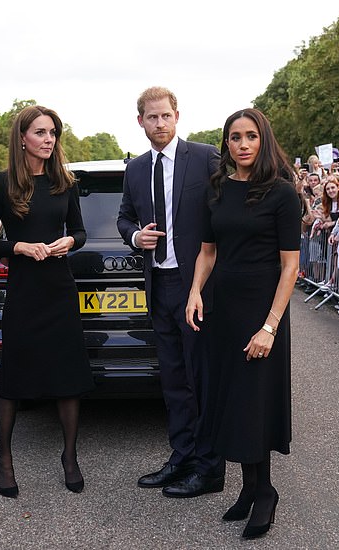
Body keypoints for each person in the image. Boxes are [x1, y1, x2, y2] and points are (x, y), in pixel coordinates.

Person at [185, 108, 300, 539]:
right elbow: (208, 251)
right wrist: (195, 290)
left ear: (263, 139)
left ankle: (266, 491)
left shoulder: (283, 194)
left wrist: (270, 326)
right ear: (226, 145)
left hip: (263, 310)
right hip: (225, 310)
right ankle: (250, 488)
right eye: (235, 137)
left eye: (251, 136)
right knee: (233, 398)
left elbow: (290, 267)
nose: (243, 144)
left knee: (255, 401)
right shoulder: (216, 189)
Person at [0, 105, 94, 499]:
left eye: (53, 133)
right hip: (24, 289)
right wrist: (18, 247)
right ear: (22, 138)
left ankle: (70, 457)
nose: (49, 140)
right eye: (41, 133)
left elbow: (79, 231)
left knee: (67, 376)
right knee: (13, 378)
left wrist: (70, 242)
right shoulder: (1, 183)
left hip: (59, 287)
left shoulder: (65, 182)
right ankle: (4, 460)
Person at [117, 86, 225, 498]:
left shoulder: (204, 157)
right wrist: (133, 236)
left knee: (201, 378)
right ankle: (181, 457)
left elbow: (226, 212)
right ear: (140, 121)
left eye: (165, 116)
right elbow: (124, 216)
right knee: (173, 379)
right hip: (158, 284)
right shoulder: (135, 169)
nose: (159, 123)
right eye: (151, 117)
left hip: (196, 286)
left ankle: (210, 468)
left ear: (176, 116)